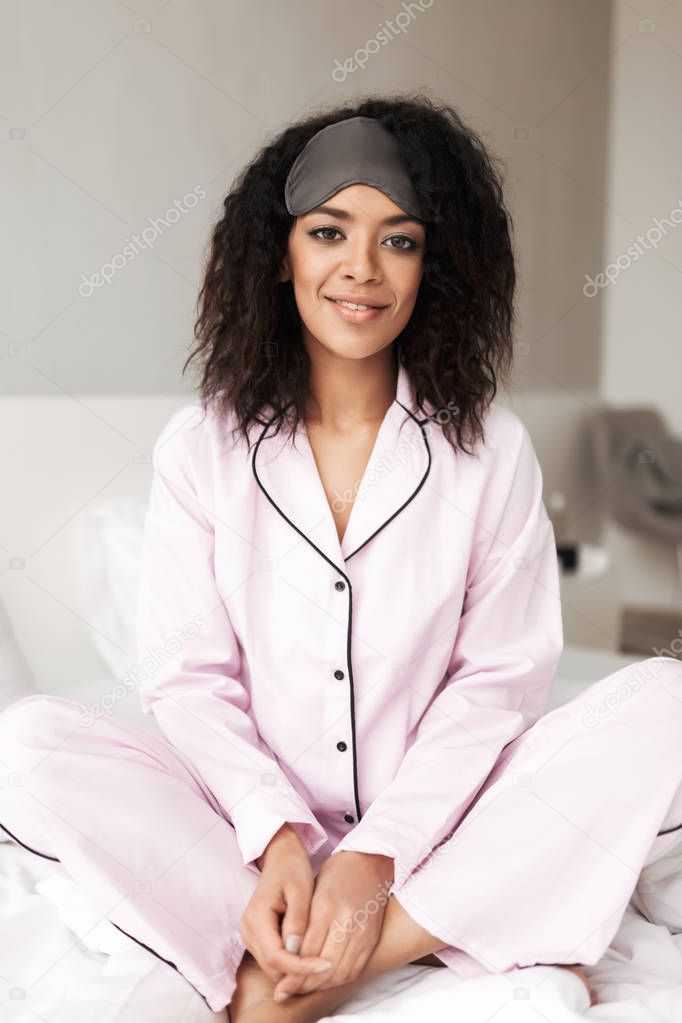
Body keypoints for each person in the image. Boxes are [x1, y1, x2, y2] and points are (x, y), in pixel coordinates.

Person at [1, 94, 681, 1023]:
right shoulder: (200, 446)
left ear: (436, 266)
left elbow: (498, 681)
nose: (362, 268)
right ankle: (398, 931)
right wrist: (280, 839)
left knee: (667, 703)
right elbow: (189, 677)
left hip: (438, 834)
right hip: (244, 841)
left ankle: (348, 961)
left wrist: (379, 855)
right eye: (329, 231)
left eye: (400, 240)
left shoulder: (489, 450)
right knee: (25, 745)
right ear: (279, 255)